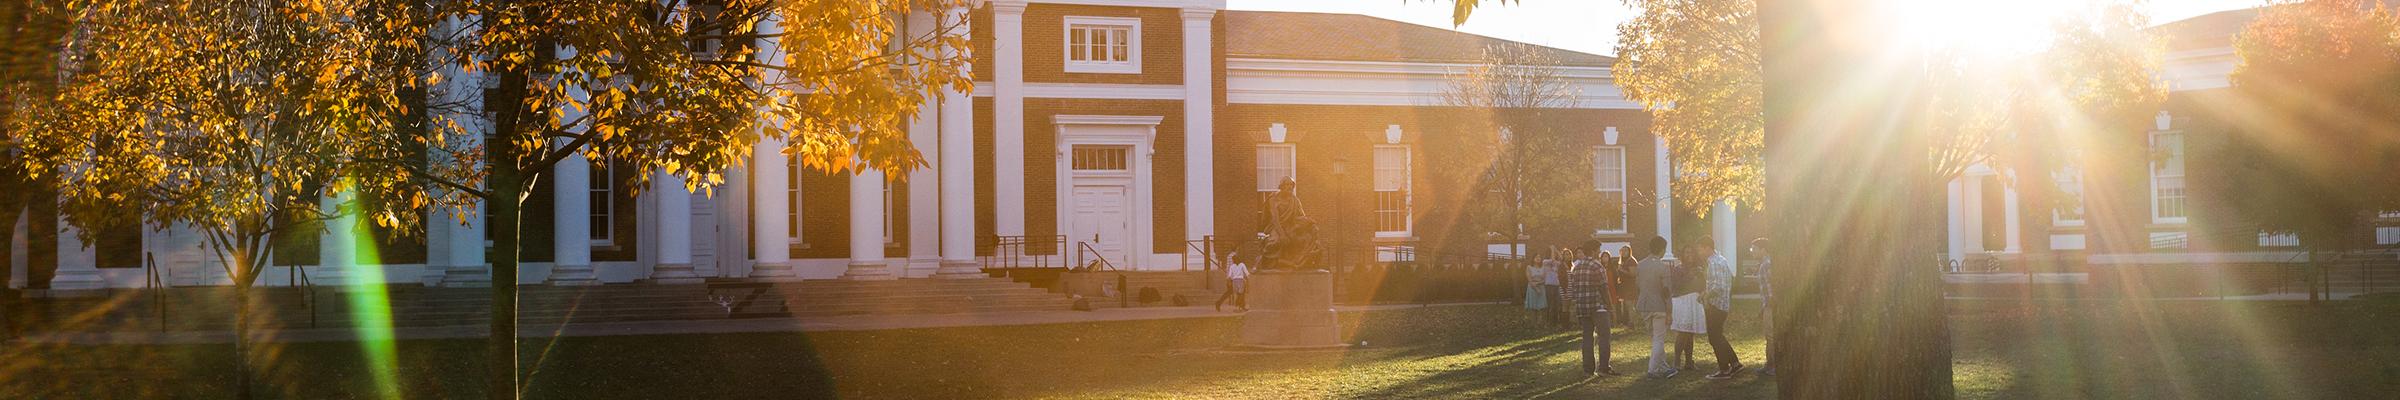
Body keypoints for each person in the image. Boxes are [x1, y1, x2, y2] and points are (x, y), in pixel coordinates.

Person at [1563, 241, 1622, 377]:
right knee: (1604, 336)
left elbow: (1575, 288)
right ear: (1594, 250)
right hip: (1598, 306)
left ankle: (1588, 369)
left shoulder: (1576, 267)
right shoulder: (1597, 266)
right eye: (1598, 250)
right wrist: (1610, 307)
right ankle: (1604, 367)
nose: (1599, 252)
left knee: (1587, 337)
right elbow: (1603, 288)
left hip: (1582, 307)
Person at [1699, 237, 1744, 379]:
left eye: (1700, 248)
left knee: (1714, 338)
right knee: (1718, 336)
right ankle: (1735, 364)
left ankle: (1724, 370)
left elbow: (1718, 286)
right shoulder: (1721, 260)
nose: (1699, 252)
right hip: (1722, 304)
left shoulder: (1714, 263)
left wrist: (1705, 296)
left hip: (1716, 305)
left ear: (1707, 248)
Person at [1633, 236, 1679, 378]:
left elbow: (1637, 284)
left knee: (1655, 338)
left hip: (1644, 305)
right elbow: (1666, 291)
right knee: (1659, 339)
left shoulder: (1640, 265)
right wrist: (1669, 311)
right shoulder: (1662, 267)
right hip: (1659, 305)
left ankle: (1663, 366)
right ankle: (1652, 370)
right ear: (1662, 249)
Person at [1670, 245, 1704, 371]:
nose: (1689, 255)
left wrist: (1701, 284)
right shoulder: (1678, 269)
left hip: (1694, 300)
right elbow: (1677, 286)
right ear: (1683, 255)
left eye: (1691, 252)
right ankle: (1676, 361)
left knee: (1690, 332)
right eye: (1686, 252)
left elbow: (1701, 285)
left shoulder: (1698, 269)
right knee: (1683, 331)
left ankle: (1689, 362)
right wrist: (1690, 275)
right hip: (1682, 301)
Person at [1751, 238, 1776, 377]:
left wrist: (1769, 305)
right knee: (1768, 335)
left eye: (1754, 249)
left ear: (1763, 250)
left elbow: (1771, 286)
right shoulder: (1764, 264)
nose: (1752, 252)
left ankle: (1772, 366)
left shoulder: (1766, 264)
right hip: (1767, 305)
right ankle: (1769, 364)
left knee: (1771, 336)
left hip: (1771, 305)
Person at [1216, 247, 1250, 312]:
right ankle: (1240, 306)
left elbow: (1229, 267)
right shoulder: (1235, 256)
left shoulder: (1229, 256)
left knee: (1231, 292)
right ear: (1237, 249)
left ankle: (1241, 306)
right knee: (1238, 292)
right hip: (1234, 278)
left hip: (1231, 277)